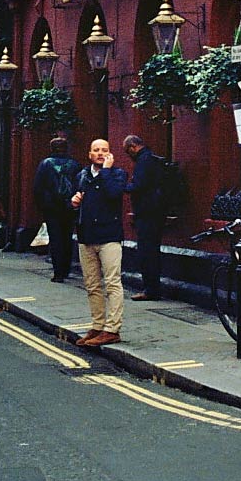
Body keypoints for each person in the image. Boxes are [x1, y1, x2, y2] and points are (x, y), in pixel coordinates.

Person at [71, 138, 129, 347]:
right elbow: (80, 199)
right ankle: (97, 325)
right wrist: (75, 202)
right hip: (86, 236)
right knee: (92, 284)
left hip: (109, 236)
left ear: (110, 154)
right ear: (89, 154)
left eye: (104, 150)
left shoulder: (118, 174)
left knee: (112, 283)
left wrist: (106, 171)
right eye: (96, 150)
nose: (100, 153)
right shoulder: (82, 175)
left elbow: (113, 194)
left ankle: (112, 329)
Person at [124, 135, 170, 300]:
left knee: (146, 251)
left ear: (133, 146)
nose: (128, 155)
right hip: (156, 211)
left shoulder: (144, 161)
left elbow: (139, 186)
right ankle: (152, 288)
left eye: (127, 151)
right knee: (152, 250)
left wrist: (124, 186)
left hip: (147, 212)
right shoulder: (152, 158)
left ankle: (150, 290)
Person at [33, 137, 79, 282]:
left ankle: (58, 273)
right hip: (69, 206)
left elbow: (38, 187)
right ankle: (66, 269)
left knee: (55, 239)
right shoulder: (74, 164)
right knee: (67, 237)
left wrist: (41, 205)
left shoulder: (45, 164)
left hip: (51, 207)